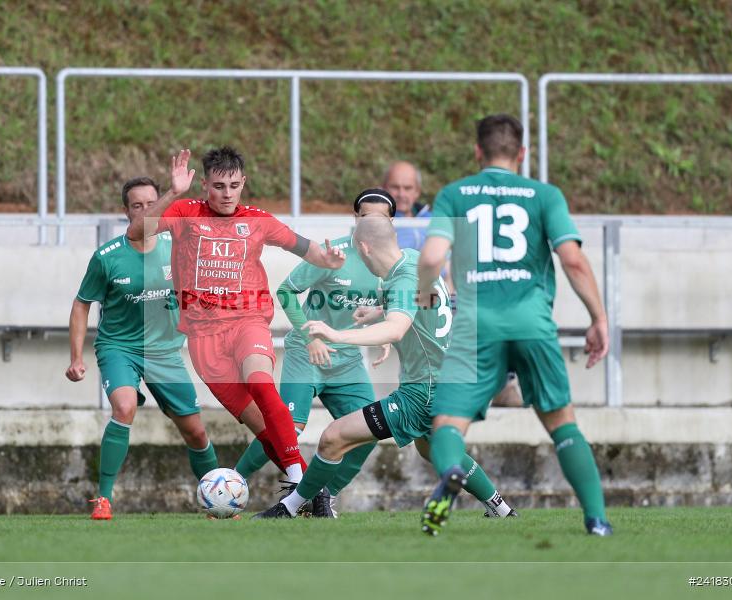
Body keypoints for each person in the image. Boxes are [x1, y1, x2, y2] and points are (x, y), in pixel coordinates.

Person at [417, 114, 612, 536]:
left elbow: (432, 258)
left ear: (477, 151)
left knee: (447, 424)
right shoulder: (545, 195)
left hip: (474, 324)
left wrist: (422, 290)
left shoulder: (454, 194)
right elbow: (573, 260)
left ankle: (452, 473)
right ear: (522, 154)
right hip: (531, 322)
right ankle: (596, 519)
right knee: (561, 421)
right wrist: (598, 317)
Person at [254, 210, 515, 520]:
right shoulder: (415, 261)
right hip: (449, 383)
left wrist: (336, 333)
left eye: (357, 252)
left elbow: (397, 328)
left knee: (333, 437)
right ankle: (501, 508)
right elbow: (416, 301)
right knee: (431, 449)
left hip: (422, 393)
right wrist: (377, 310)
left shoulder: (403, 278)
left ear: (363, 247)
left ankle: (290, 508)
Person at [128, 147, 346, 494]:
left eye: (233, 185)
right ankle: (313, 494)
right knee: (262, 427)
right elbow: (137, 233)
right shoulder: (185, 211)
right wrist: (172, 192)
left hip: (248, 321)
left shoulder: (257, 221)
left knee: (260, 383)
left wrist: (329, 259)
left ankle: (298, 480)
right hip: (203, 339)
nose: (226, 193)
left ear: (243, 183)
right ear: (204, 186)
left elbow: (309, 250)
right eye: (218, 186)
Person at [232, 190, 393, 517]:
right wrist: (311, 338)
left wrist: (386, 333)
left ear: (390, 221)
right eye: (366, 217)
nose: (372, 223)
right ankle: (228, 486)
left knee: (371, 432)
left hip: (347, 361)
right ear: (356, 219)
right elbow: (286, 293)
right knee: (289, 427)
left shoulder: (390, 262)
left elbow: (385, 305)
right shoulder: (333, 253)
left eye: (380, 218)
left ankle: (322, 497)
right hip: (307, 354)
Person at [67, 176, 218, 521]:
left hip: (165, 352)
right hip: (120, 348)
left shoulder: (178, 247)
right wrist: (76, 357)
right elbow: (81, 304)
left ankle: (216, 500)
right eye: (138, 206)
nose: (147, 211)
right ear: (126, 212)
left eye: (152, 204)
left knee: (195, 431)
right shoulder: (107, 257)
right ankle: (103, 499)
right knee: (123, 408)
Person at [383, 161, 431, 250]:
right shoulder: (375, 222)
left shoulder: (432, 219)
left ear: (417, 191)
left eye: (407, 188)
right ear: (384, 188)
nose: (401, 194)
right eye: (395, 187)